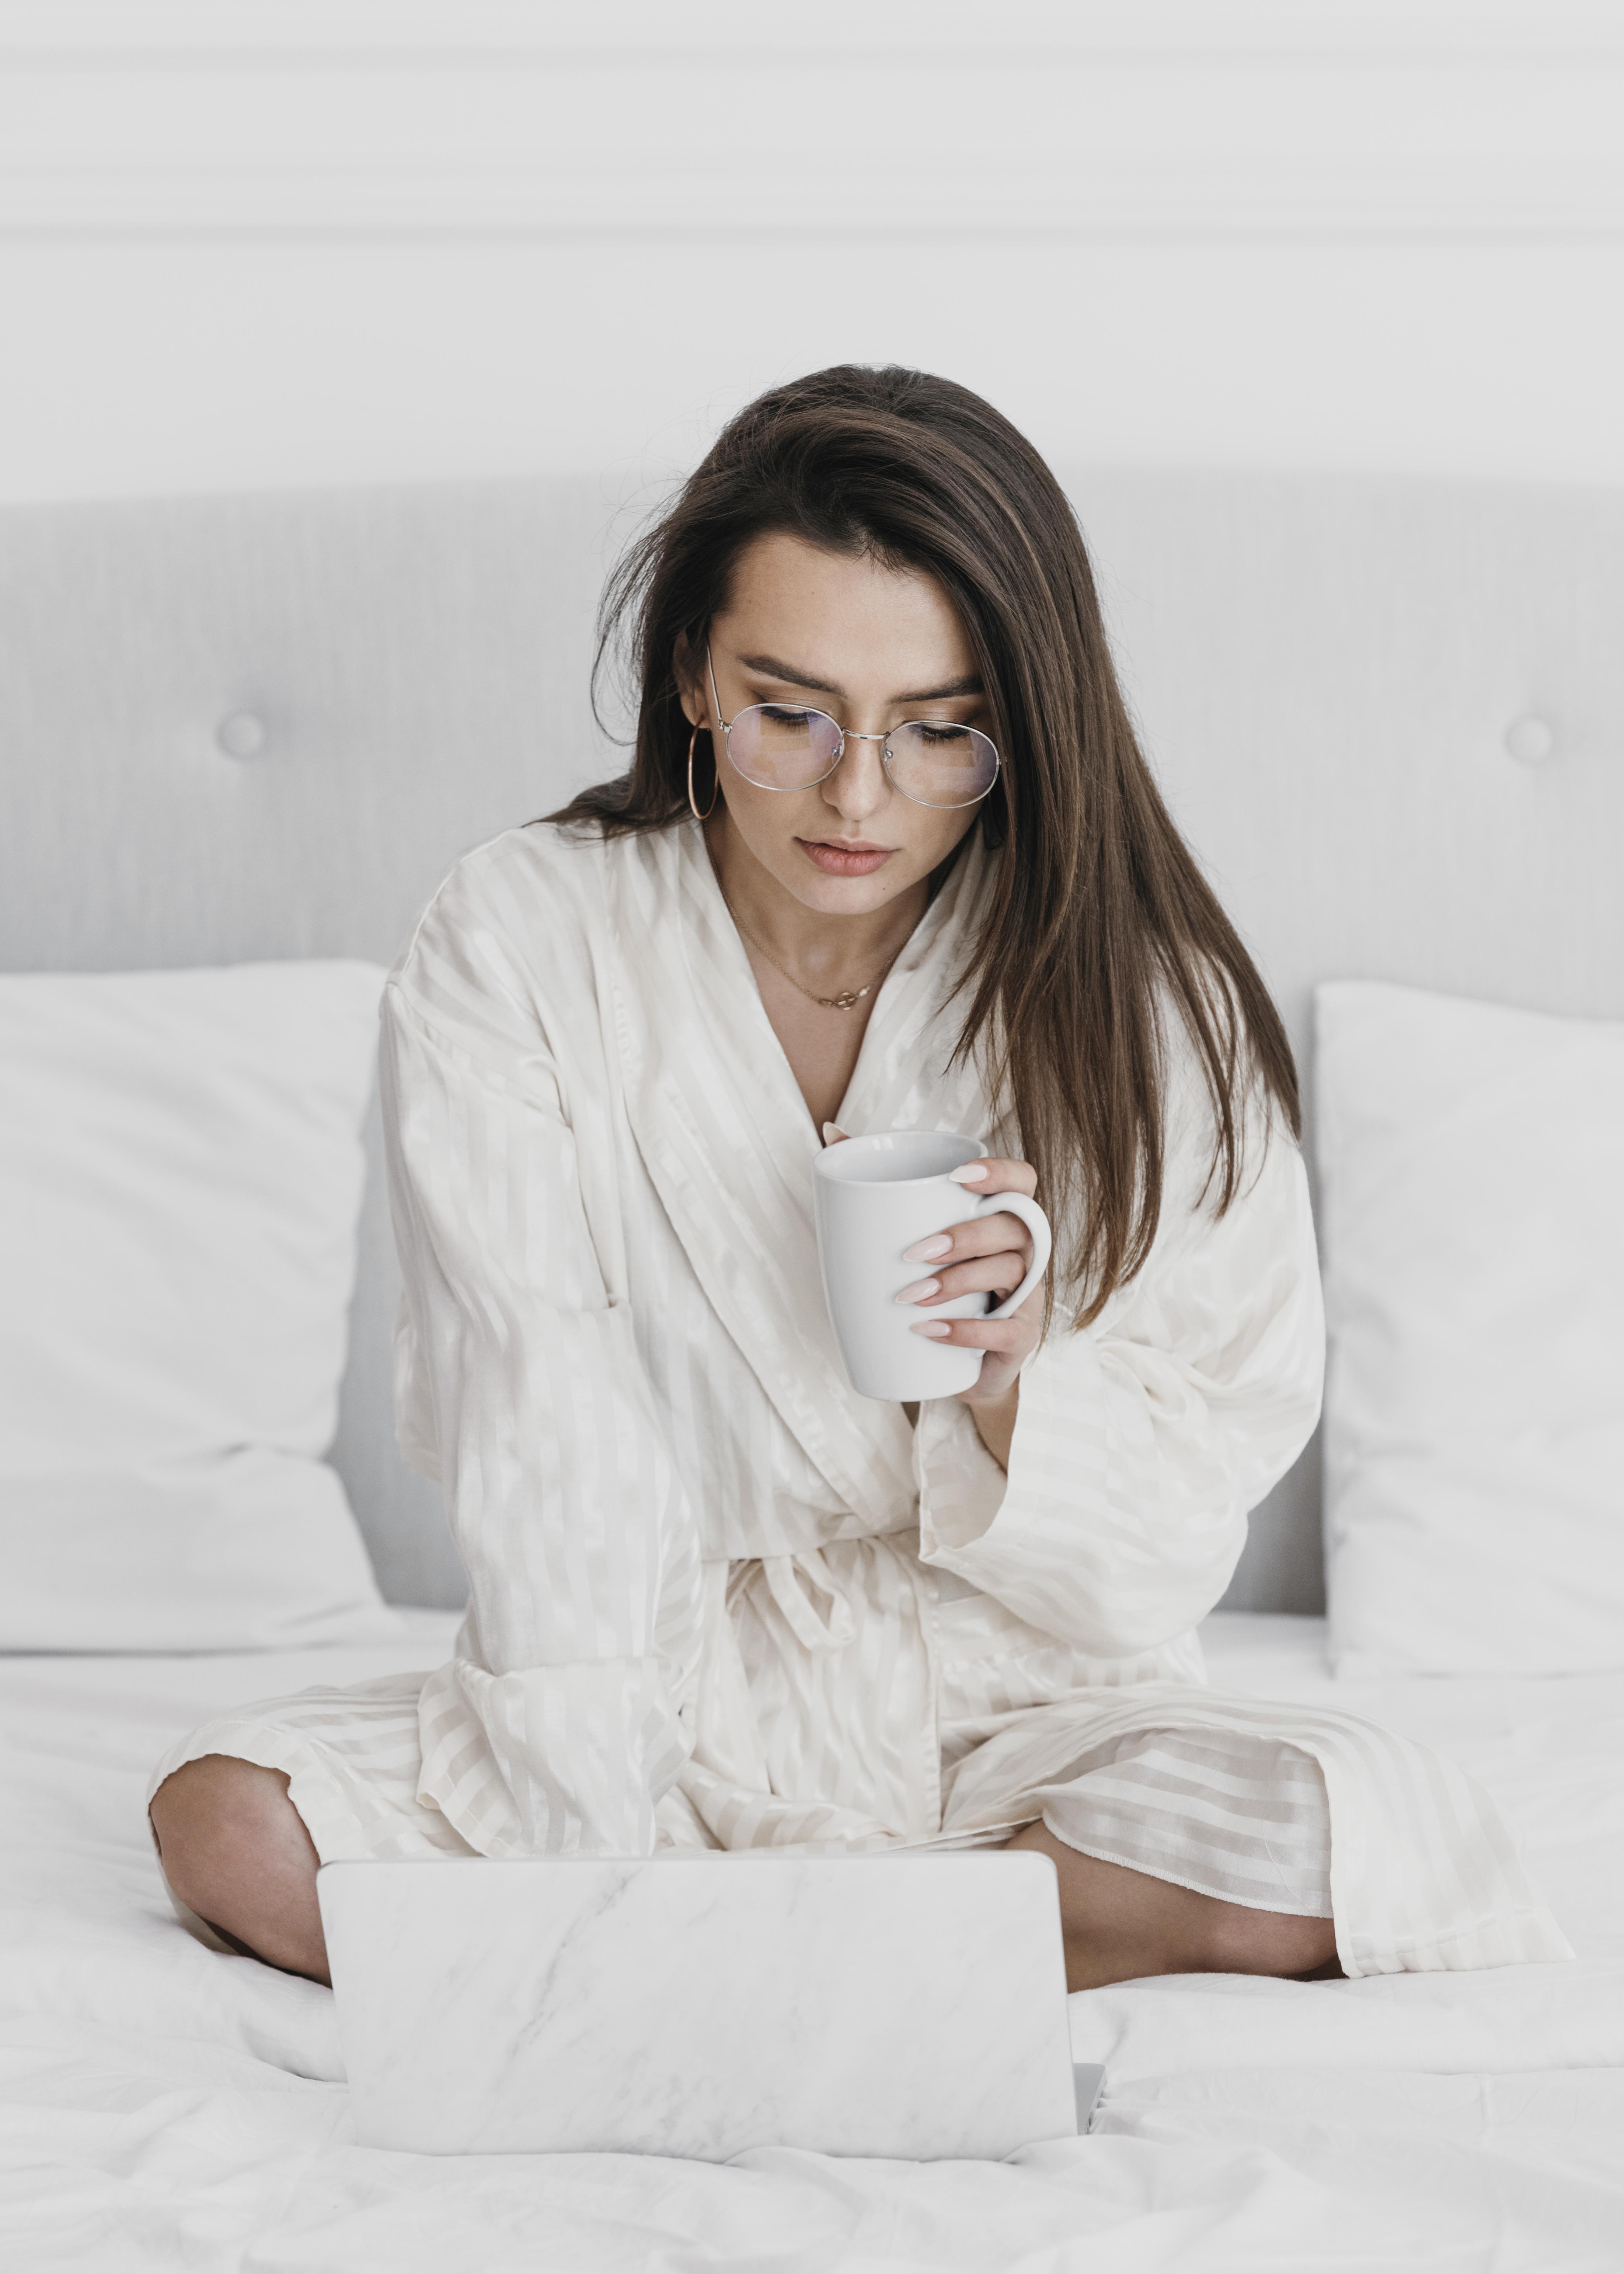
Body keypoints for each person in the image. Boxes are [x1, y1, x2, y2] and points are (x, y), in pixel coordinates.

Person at [148, 365, 1565, 1992]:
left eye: (939, 730)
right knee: (227, 1823)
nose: (858, 796)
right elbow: (534, 1411)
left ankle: (720, 1976)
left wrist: (1014, 1388)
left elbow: (1186, 1520)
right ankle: (867, 1964)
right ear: (690, 671)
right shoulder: (523, 935)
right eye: (789, 709)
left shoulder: (1140, 1001)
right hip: (643, 1693)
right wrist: (592, 1838)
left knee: (1360, 1832)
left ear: (1020, 720)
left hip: (1018, 1716)